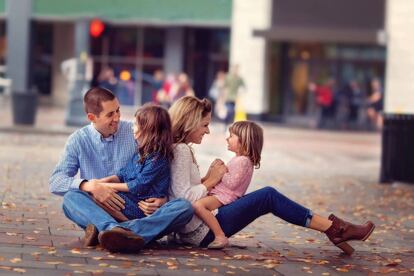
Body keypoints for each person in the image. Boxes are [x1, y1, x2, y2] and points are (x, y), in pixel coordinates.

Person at [163, 95, 374, 256]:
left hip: (199, 225)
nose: (208, 131)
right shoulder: (181, 150)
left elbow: (184, 191)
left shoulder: (182, 149)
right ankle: (335, 229)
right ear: (189, 122)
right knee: (268, 196)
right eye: (205, 125)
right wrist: (211, 179)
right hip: (200, 231)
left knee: (267, 196)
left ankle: (335, 229)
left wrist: (208, 178)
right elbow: (184, 199)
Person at [49, 87, 193, 253]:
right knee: (70, 199)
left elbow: (161, 165)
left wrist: (164, 199)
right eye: (110, 114)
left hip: (141, 208)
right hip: (100, 211)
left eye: (118, 111)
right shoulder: (78, 141)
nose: (117, 118)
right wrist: (90, 186)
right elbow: (56, 182)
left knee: (184, 207)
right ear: (92, 117)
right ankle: (115, 229)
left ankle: (114, 232)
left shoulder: (137, 131)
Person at [93, 103, 174, 222]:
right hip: (133, 199)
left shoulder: (158, 157)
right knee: (97, 193)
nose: (132, 127)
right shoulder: (142, 151)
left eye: (136, 124)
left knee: (99, 196)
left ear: (148, 129)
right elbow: (122, 174)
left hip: (143, 206)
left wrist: (104, 186)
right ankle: (111, 228)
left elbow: (138, 185)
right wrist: (100, 182)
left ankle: (128, 226)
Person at [192, 121, 263, 249]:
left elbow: (232, 183)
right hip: (220, 193)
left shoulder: (243, 161)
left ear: (244, 141)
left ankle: (220, 236)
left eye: (231, 136)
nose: (227, 138)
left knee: (198, 206)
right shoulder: (238, 159)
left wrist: (221, 171)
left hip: (224, 196)